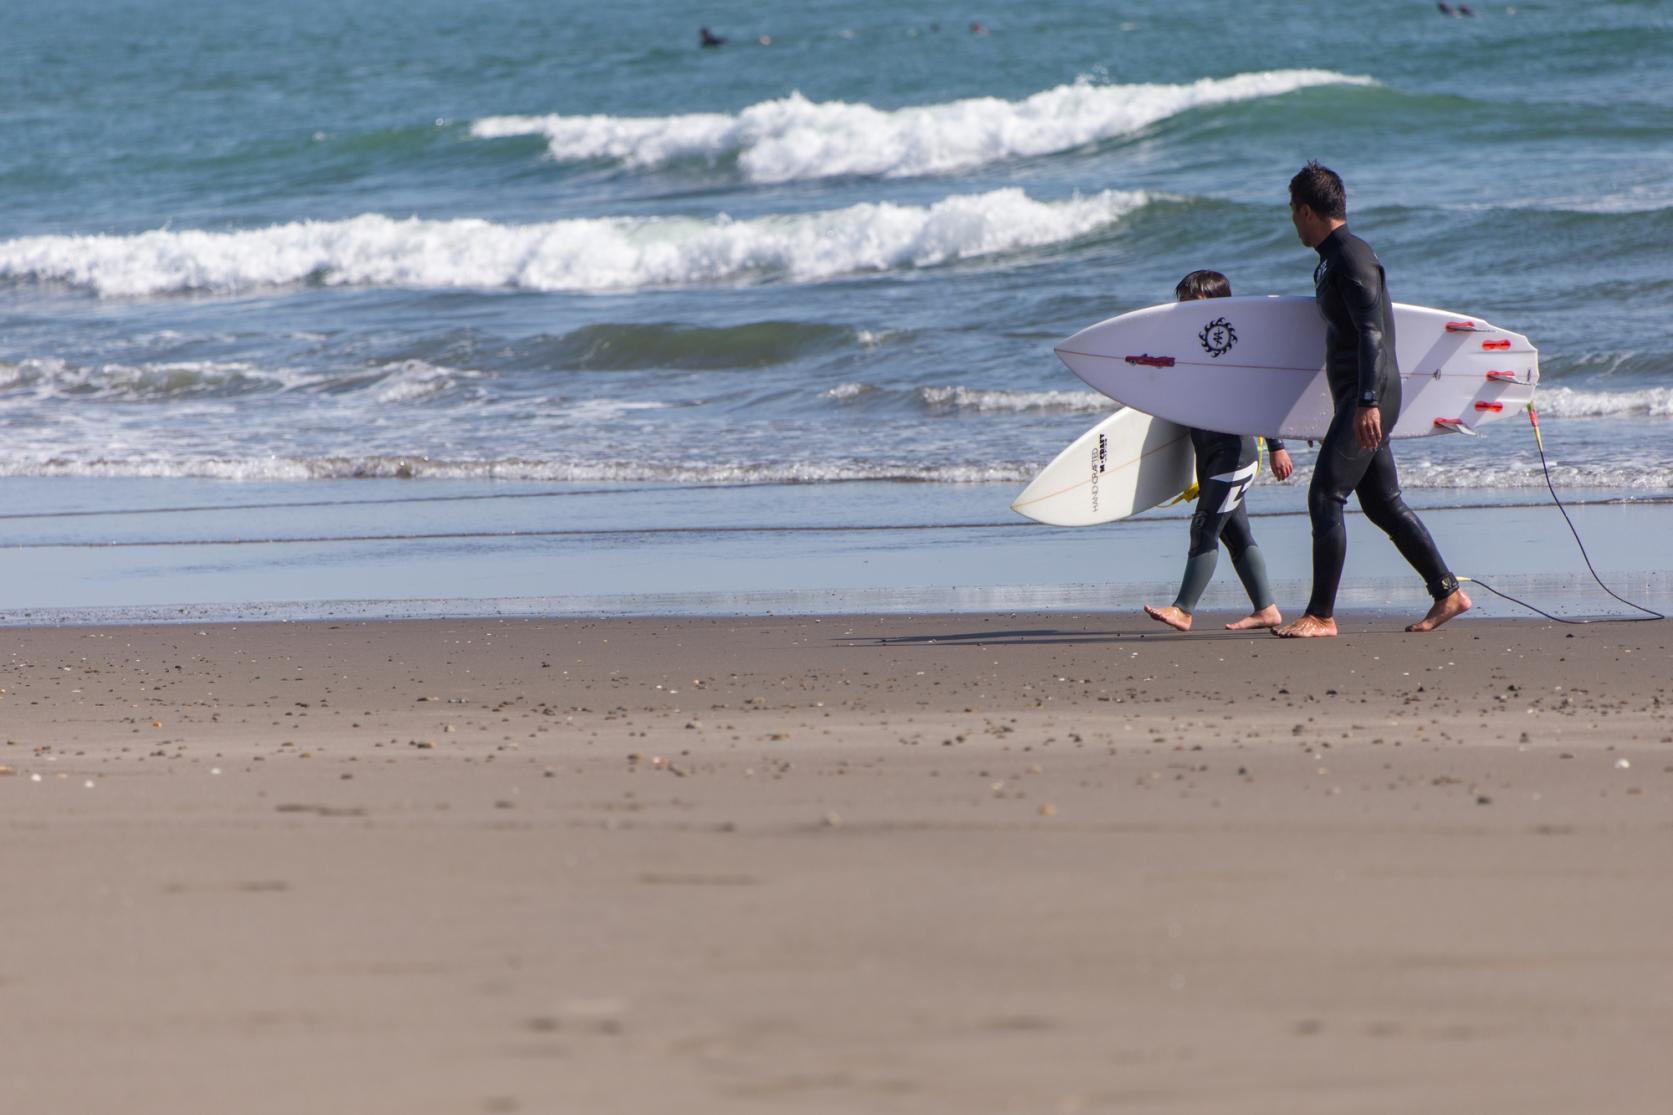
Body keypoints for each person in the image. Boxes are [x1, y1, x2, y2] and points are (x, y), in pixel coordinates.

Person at [1274, 162, 1471, 637]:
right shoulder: (1332, 258)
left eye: (1292, 212)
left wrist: (1364, 404)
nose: (1292, 222)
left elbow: (1371, 334)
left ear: (1306, 210)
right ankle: (1448, 592)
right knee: (1383, 503)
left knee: (1325, 496)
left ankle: (1321, 615)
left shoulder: (1350, 257)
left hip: (1371, 396)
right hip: (1362, 396)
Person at [1144, 271, 1295, 632]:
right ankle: (1266, 609)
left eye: (1193, 304)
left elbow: (1261, 395)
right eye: (1181, 304)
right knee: (1235, 533)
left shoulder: (1231, 347)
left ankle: (1183, 608)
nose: (1185, 311)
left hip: (1234, 453)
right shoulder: (1189, 350)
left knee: (1205, 528)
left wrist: (1277, 446)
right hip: (1207, 454)